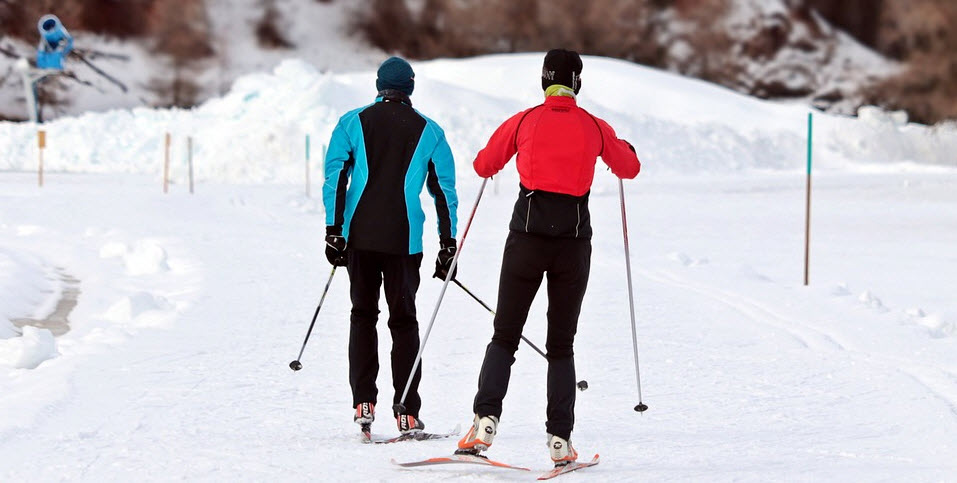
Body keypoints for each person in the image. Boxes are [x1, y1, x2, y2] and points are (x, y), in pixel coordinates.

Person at [457, 49, 640, 465]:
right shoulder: (594, 126)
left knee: (505, 333)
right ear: (576, 83)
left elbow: (484, 165)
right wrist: (623, 147)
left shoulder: (524, 120)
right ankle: (560, 440)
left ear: (544, 81)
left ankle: (484, 422)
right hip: (573, 246)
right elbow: (628, 168)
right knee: (561, 345)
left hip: (525, 240)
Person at [322, 56, 459, 435]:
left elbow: (336, 177)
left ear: (379, 85)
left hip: (360, 238)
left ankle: (363, 402)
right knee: (404, 322)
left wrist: (334, 231)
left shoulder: (352, 122)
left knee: (362, 316)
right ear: (410, 87)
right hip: (404, 241)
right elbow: (443, 193)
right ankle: (407, 411)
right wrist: (448, 245)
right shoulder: (429, 131)